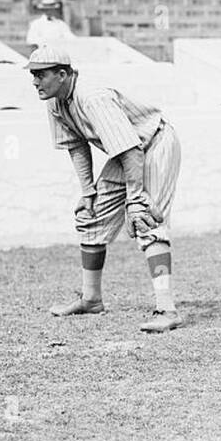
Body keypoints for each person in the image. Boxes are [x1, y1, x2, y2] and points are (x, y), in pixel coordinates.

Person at [28, 45, 184, 333]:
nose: (35, 81)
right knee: (91, 216)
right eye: (33, 75)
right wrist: (88, 191)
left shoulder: (93, 97)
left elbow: (133, 151)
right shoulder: (54, 99)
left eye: (41, 74)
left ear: (62, 74)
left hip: (154, 143)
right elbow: (75, 145)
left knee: (145, 220)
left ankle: (167, 309)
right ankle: (91, 299)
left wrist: (136, 199)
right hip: (129, 152)